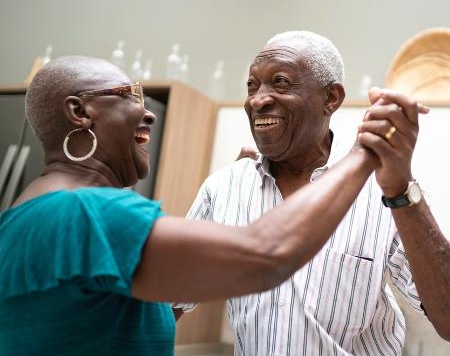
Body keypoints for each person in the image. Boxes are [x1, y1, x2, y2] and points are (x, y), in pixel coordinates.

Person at [1, 55, 393, 356]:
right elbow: (268, 255)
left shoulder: (19, 219)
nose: (149, 112)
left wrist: (241, 189)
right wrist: (364, 154)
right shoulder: (90, 214)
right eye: (130, 95)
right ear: (80, 112)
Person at [174, 31, 450, 355]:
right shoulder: (222, 189)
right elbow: (170, 303)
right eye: (252, 85)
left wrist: (401, 190)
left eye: (280, 83)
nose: (258, 99)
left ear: (331, 98)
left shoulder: (384, 191)